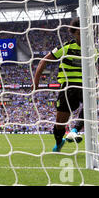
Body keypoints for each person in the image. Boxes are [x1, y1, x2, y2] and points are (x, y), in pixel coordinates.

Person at [33, 18, 84, 152]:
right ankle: (59, 141)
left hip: (84, 85)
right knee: (60, 123)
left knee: (90, 107)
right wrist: (36, 83)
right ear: (74, 33)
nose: (82, 36)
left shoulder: (92, 50)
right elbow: (43, 61)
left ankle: (74, 130)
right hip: (67, 87)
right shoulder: (66, 47)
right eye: (79, 33)